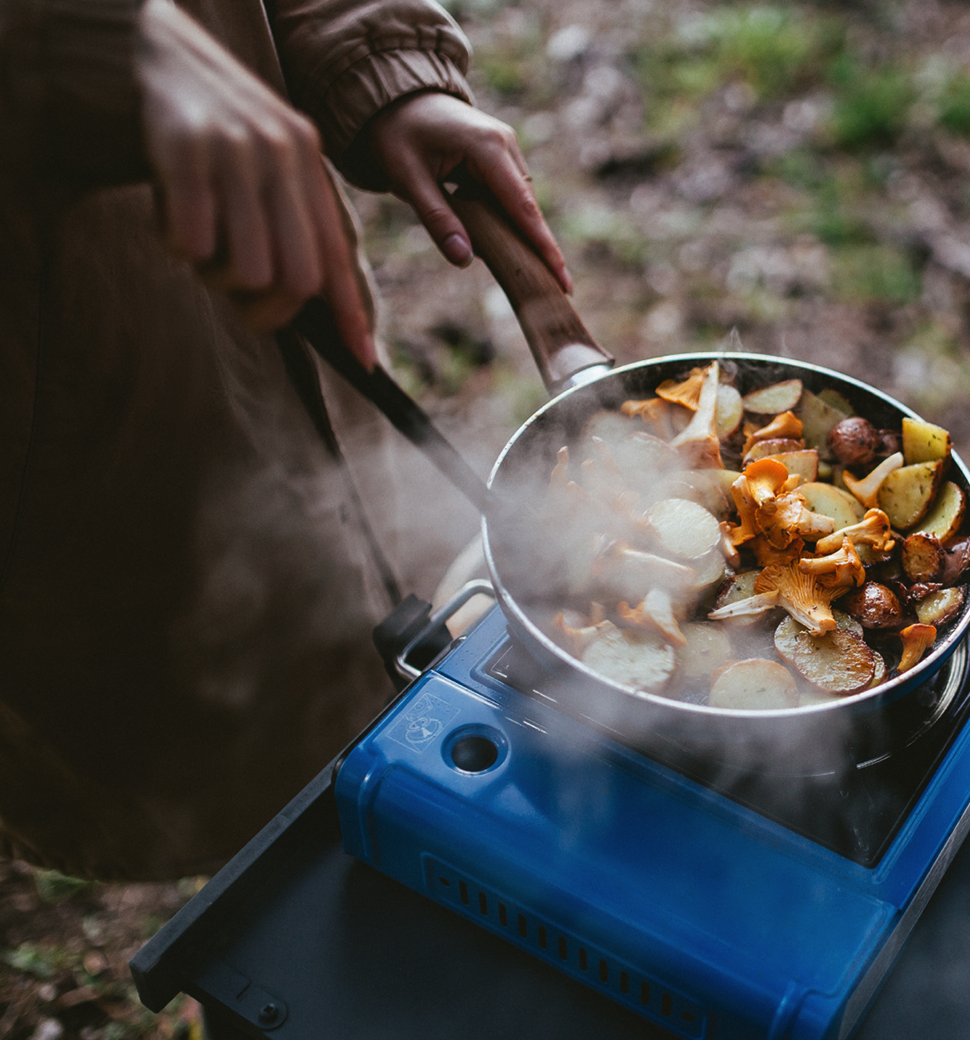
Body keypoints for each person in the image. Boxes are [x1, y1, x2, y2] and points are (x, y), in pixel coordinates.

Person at [0, 0, 568, 880]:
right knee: (241, 824)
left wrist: (373, 60)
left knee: (338, 643)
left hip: (266, 304)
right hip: (72, 370)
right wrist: (61, 42)